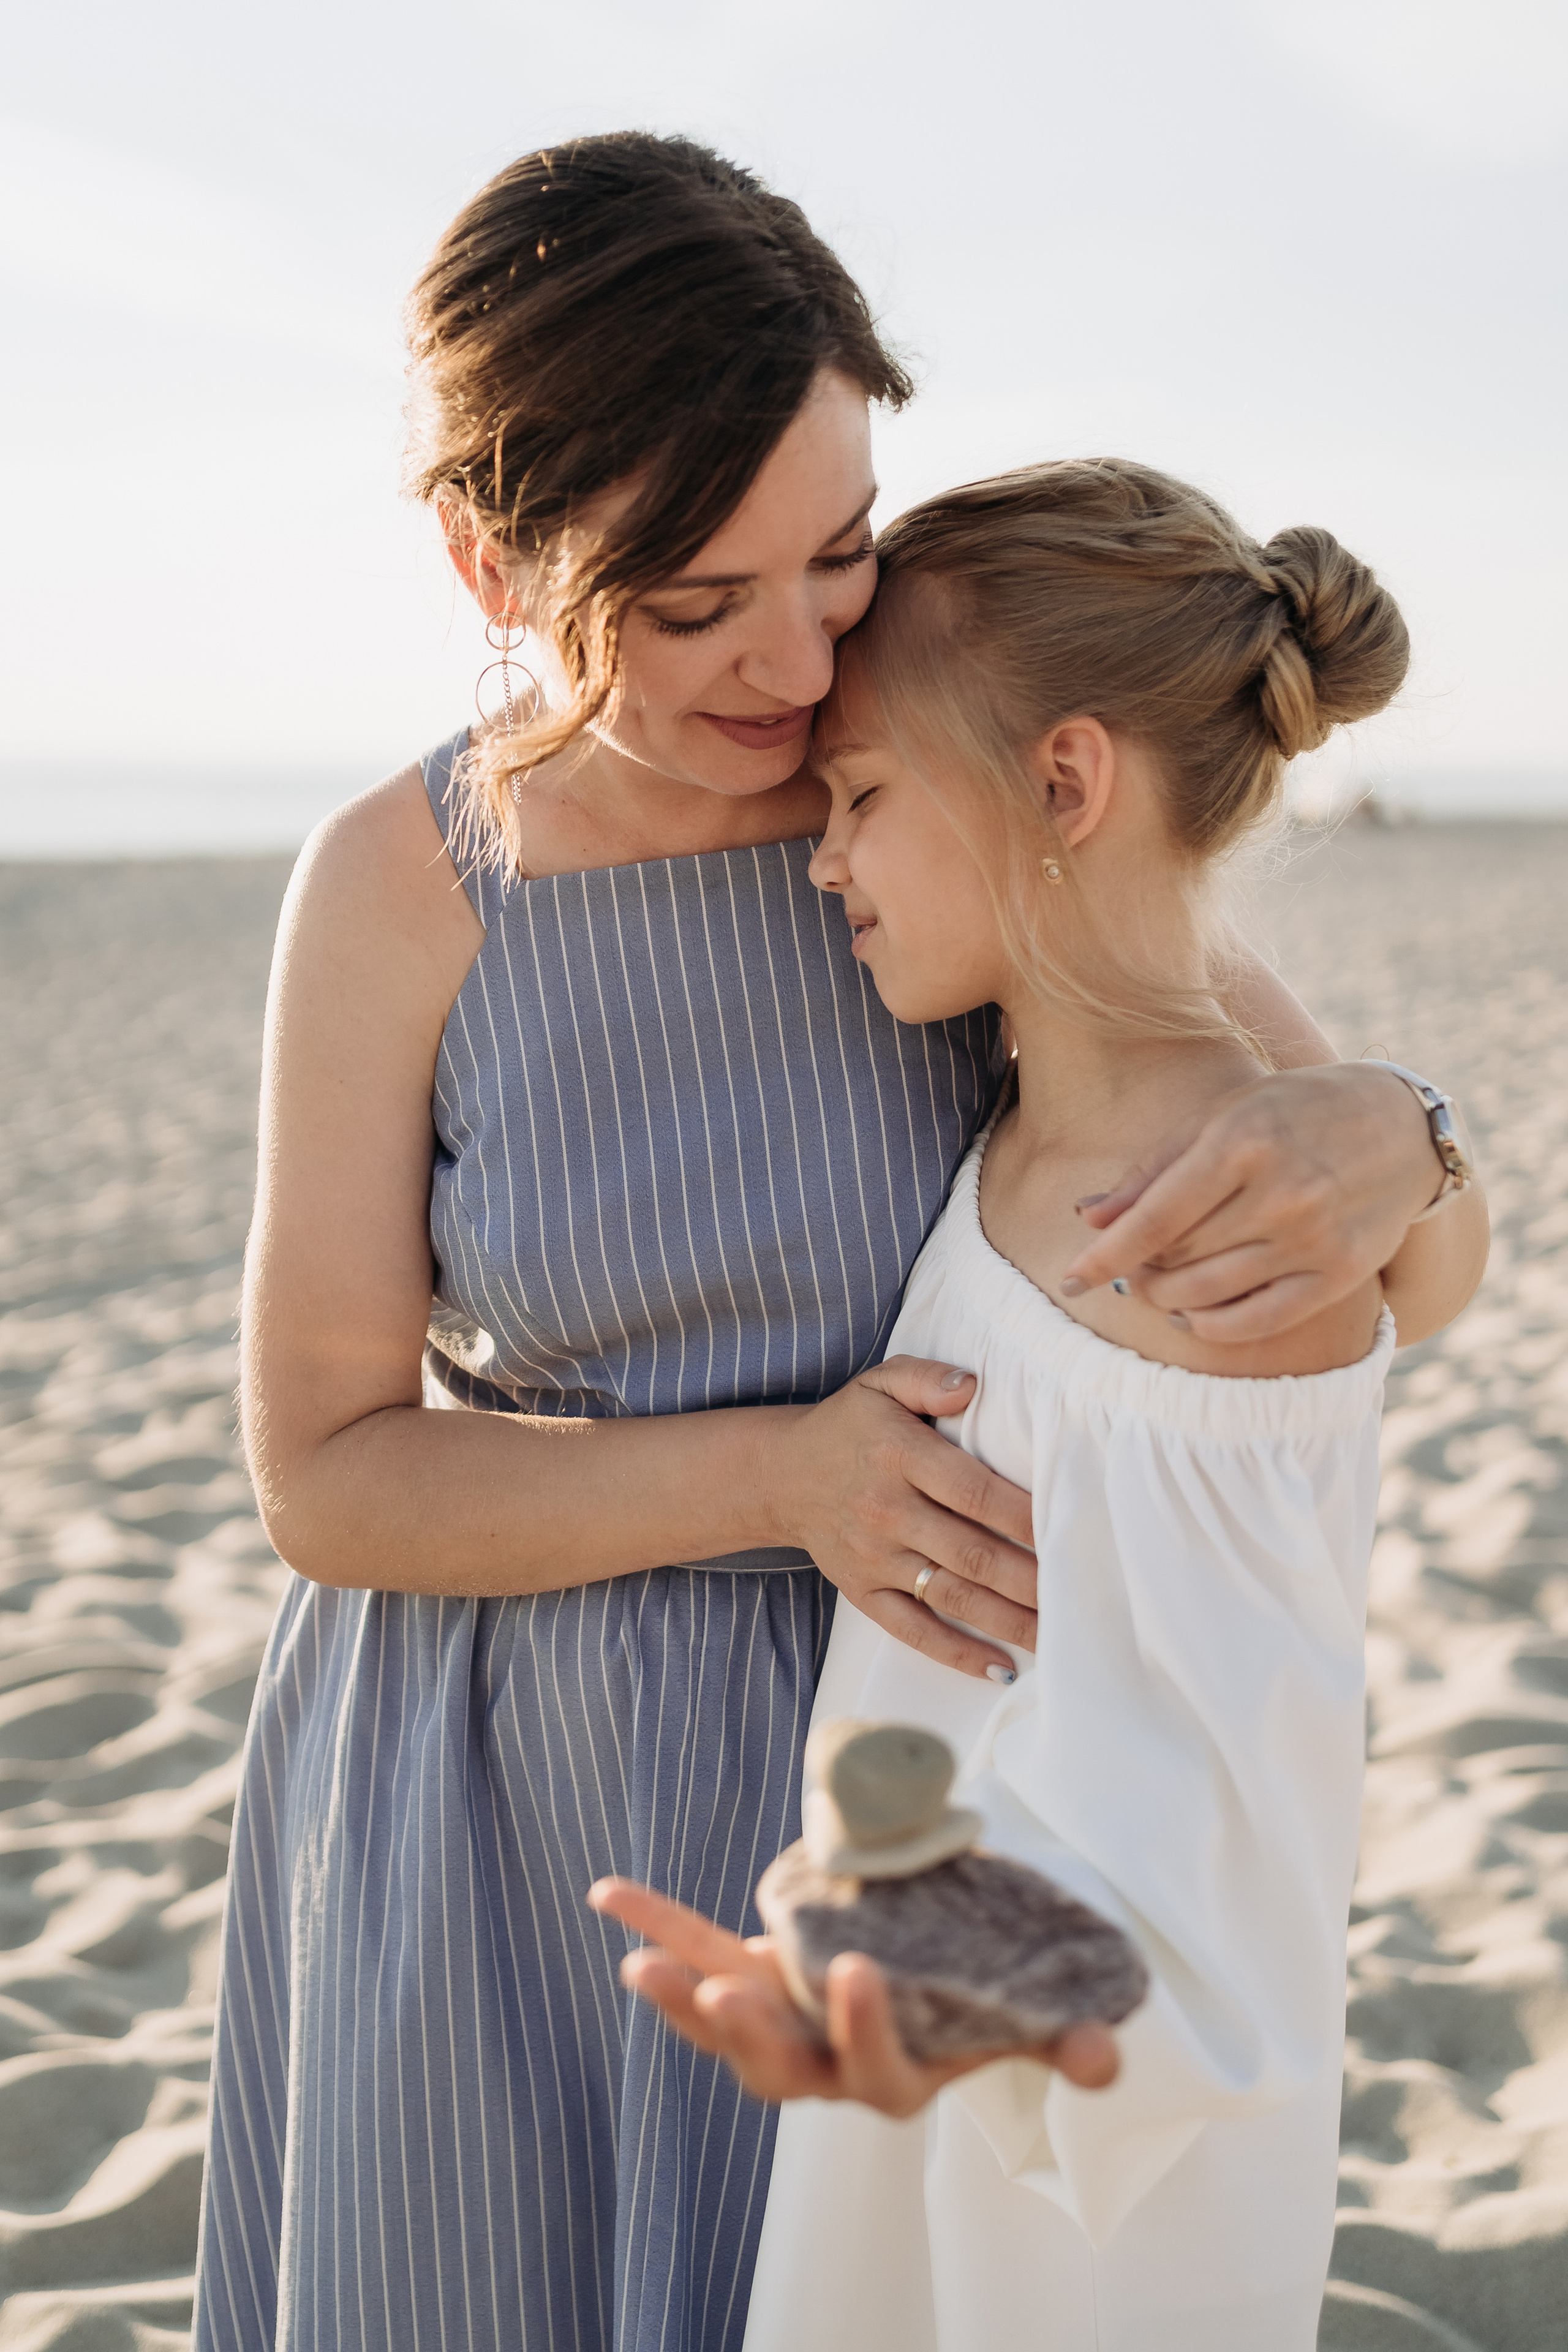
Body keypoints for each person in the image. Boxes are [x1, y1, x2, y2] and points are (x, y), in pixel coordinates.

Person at [194, 132, 1487, 2352]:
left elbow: (1385, 1253)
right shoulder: (403, 890)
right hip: (511, 1807)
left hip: (915, 1782)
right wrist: (777, 1475)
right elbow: (322, 1468)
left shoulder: (925, 786)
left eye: (841, 553)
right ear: (489, 556)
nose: (798, 656)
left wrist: (1409, 1134)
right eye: (696, 604)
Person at [592, 460, 1487, 2352]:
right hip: (917, 2072)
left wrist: (951, 1998)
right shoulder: (1043, 1116)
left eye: (859, 798)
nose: (820, 855)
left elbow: (1229, 1831)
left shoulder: (1200, 1253)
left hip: (1076, 2184)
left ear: (1066, 786)